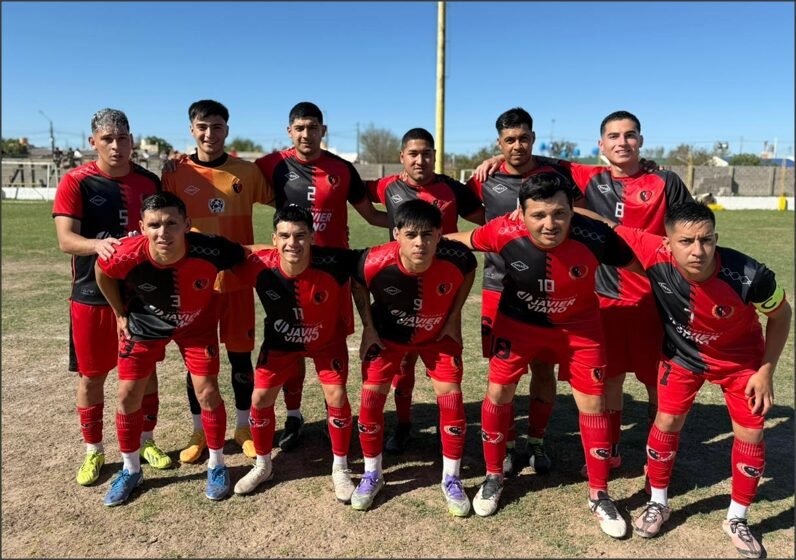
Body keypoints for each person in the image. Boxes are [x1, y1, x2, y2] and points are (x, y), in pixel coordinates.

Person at [474, 110, 686, 482]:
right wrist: (497, 159)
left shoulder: (665, 181)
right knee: (608, 381)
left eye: (630, 135)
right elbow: (530, 161)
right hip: (597, 298)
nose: (622, 143)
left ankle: (657, 459)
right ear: (601, 144)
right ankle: (609, 451)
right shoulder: (587, 176)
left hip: (652, 299)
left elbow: (687, 228)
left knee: (656, 382)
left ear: (641, 139)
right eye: (614, 137)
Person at [582, 201, 790, 558]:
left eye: (706, 240)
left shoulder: (750, 275)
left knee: (752, 432)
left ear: (716, 239)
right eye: (687, 241)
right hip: (683, 357)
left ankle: (737, 518)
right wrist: (539, 208)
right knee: (667, 420)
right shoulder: (652, 251)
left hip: (741, 363)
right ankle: (659, 503)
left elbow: (782, 314)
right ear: (667, 242)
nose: (698, 250)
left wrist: (765, 371)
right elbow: (604, 223)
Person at [447, 172, 642, 537]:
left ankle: (599, 494)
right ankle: (493, 476)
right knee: (498, 393)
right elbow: (465, 239)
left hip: (580, 329)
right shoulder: (501, 231)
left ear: (573, 211)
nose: (549, 224)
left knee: (593, 404)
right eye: (539, 215)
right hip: (517, 324)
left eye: (559, 214)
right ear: (521, 214)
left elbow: (643, 267)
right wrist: (415, 245)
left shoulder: (597, 237)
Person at [95, 191, 249, 505]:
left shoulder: (210, 247)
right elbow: (102, 271)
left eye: (171, 223)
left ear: (186, 224)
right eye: (154, 225)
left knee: (207, 391)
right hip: (145, 325)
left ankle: (217, 464)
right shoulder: (125, 253)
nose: (162, 232)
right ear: (141, 227)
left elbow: (248, 255)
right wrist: (119, 312)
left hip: (197, 326)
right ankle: (130, 469)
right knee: (126, 396)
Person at [255, 101, 387, 452]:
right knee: (291, 346)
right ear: (289, 131)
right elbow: (231, 176)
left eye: (312, 127)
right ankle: (294, 415)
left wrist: (416, 227)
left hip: (333, 276)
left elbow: (372, 217)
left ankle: (336, 418)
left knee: (331, 344)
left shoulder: (342, 170)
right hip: (290, 269)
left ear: (323, 130)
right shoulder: (272, 165)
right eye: (299, 128)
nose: (306, 134)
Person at [53, 108, 170, 488]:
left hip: (142, 296)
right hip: (90, 295)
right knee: (92, 375)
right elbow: (65, 240)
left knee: (144, 373)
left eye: (123, 139)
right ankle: (93, 450)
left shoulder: (149, 181)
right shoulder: (76, 181)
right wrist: (97, 244)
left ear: (132, 140)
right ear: (93, 143)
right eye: (107, 140)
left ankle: (146, 441)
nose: (116, 147)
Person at [162, 99, 274, 465]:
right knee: (197, 364)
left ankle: (243, 427)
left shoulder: (248, 171)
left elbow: (285, 198)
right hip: (196, 285)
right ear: (192, 130)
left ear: (227, 130)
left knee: (240, 357)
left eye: (217, 126)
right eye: (203, 127)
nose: (210, 133)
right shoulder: (176, 173)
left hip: (238, 282)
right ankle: (199, 430)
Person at [466, 107, 575, 477]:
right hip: (499, 288)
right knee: (504, 376)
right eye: (509, 140)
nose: (517, 146)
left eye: (524, 138)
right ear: (499, 142)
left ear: (533, 138)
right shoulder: (484, 180)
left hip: (548, 289)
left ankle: (538, 442)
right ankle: (509, 445)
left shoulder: (553, 175)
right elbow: (465, 214)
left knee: (543, 368)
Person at [351, 199, 476, 516]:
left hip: (437, 338)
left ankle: (452, 478)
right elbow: (357, 282)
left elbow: (471, 272)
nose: (420, 243)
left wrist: (453, 317)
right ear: (396, 234)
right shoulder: (373, 261)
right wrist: (368, 326)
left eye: (428, 235)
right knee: (370, 399)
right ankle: (372, 473)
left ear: (439, 234)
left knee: (451, 398)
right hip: (388, 337)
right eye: (411, 235)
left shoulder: (458, 258)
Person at [365, 127, 485, 454]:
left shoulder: (451, 188)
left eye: (427, 153)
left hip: (443, 290)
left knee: (447, 362)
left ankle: (449, 427)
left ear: (435, 156)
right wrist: (388, 227)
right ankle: (403, 426)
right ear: (402, 157)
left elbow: (484, 219)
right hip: (399, 286)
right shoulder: (386, 185)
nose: (421, 159)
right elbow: (360, 203)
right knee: (402, 365)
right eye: (413, 154)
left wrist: (452, 244)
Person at [231, 205, 360, 504]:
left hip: (327, 342)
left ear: (312, 237)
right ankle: (263, 464)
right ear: (274, 239)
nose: (293, 243)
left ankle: (340, 467)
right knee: (259, 398)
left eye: (301, 236)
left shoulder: (335, 261)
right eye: (285, 236)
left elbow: (372, 265)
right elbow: (223, 252)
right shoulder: (258, 264)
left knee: (337, 396)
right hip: (280, 343)